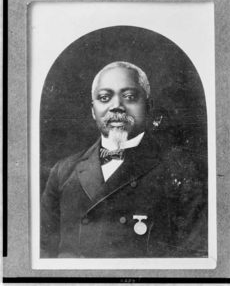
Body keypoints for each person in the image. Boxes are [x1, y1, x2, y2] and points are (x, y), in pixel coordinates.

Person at [41, 61, 207, 258]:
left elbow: (196, 257)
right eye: (104, 97)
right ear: (93, 110)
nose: (117, 106)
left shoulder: (180, 170)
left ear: (148, 106)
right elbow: (41, 252)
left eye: (129, 97)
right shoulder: (63, 171)